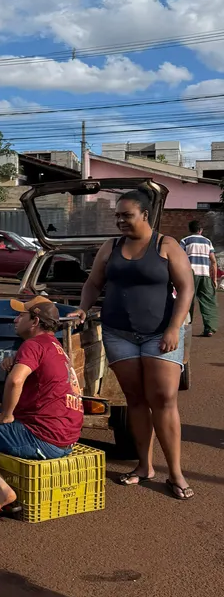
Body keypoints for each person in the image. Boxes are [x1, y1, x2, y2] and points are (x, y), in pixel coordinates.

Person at [70, 189, 195, 500]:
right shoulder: (111, 247)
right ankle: (144, 467)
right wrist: (84, 308)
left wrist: (173, 328)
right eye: (118, 216)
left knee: (164, 399)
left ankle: (176, 473)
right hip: (118, 333)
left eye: (126, 215)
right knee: (135, 400)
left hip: (159, 334)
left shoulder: (166, 245)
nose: (120, 221)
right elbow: (93, 283)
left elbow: (186, 288)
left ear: (144, 215)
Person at [0, 298, 84, 517]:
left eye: (21, 316)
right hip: (67, 438)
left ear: (35, 321)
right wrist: (15, 359)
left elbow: (15, 381)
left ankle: (1, 489)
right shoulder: (56, 347)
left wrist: (6, 415)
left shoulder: (32, 345)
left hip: (44, 438)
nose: (15, 319)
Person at [181, 220, 218, 338]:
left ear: (190, 229)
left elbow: (179, 258)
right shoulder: (207, 242)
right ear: (200, 230)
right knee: (208, 301)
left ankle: (186, 326)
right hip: (205, 274)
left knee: (187, 299)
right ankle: (209, 328)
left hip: (190, 274)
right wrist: (214, 279)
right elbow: (213, 261)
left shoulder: (185, 241)